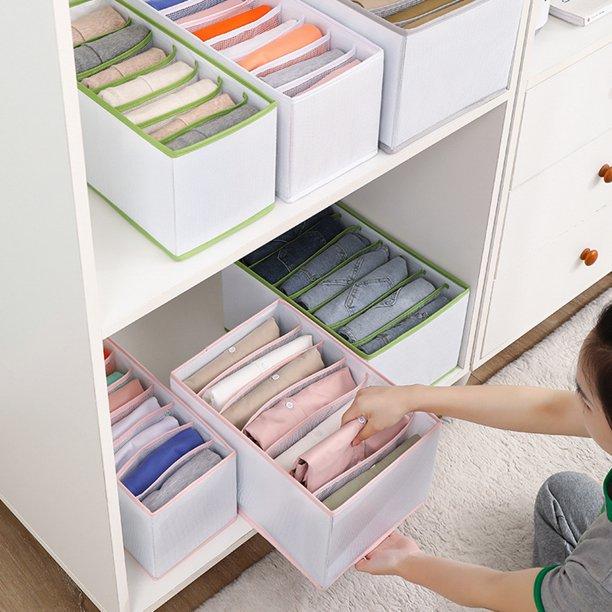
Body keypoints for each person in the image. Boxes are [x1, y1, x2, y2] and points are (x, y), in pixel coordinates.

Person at [342, 302, 612, 611]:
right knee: (564, 493)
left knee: (570, 592)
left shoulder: (602, 576)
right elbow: (550, 409)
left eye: (585, 400)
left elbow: (496, 590)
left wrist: (406, 561)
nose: (576, 403)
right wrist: (412, 396)